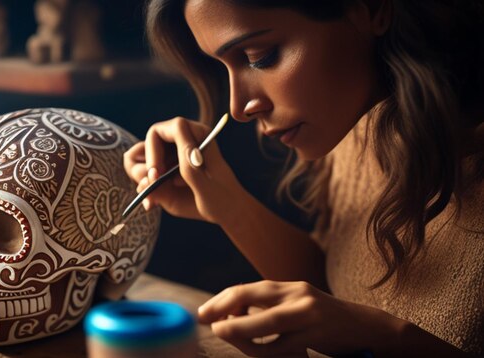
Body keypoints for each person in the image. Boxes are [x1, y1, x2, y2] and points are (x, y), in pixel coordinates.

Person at [123, 0, 484, 356]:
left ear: (371, 9)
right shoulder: (356, 128)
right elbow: (339, 290)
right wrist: (225, 202)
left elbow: (359, 321)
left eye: (259, 57)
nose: (239, 107)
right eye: (223, 68)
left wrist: (384, 338)